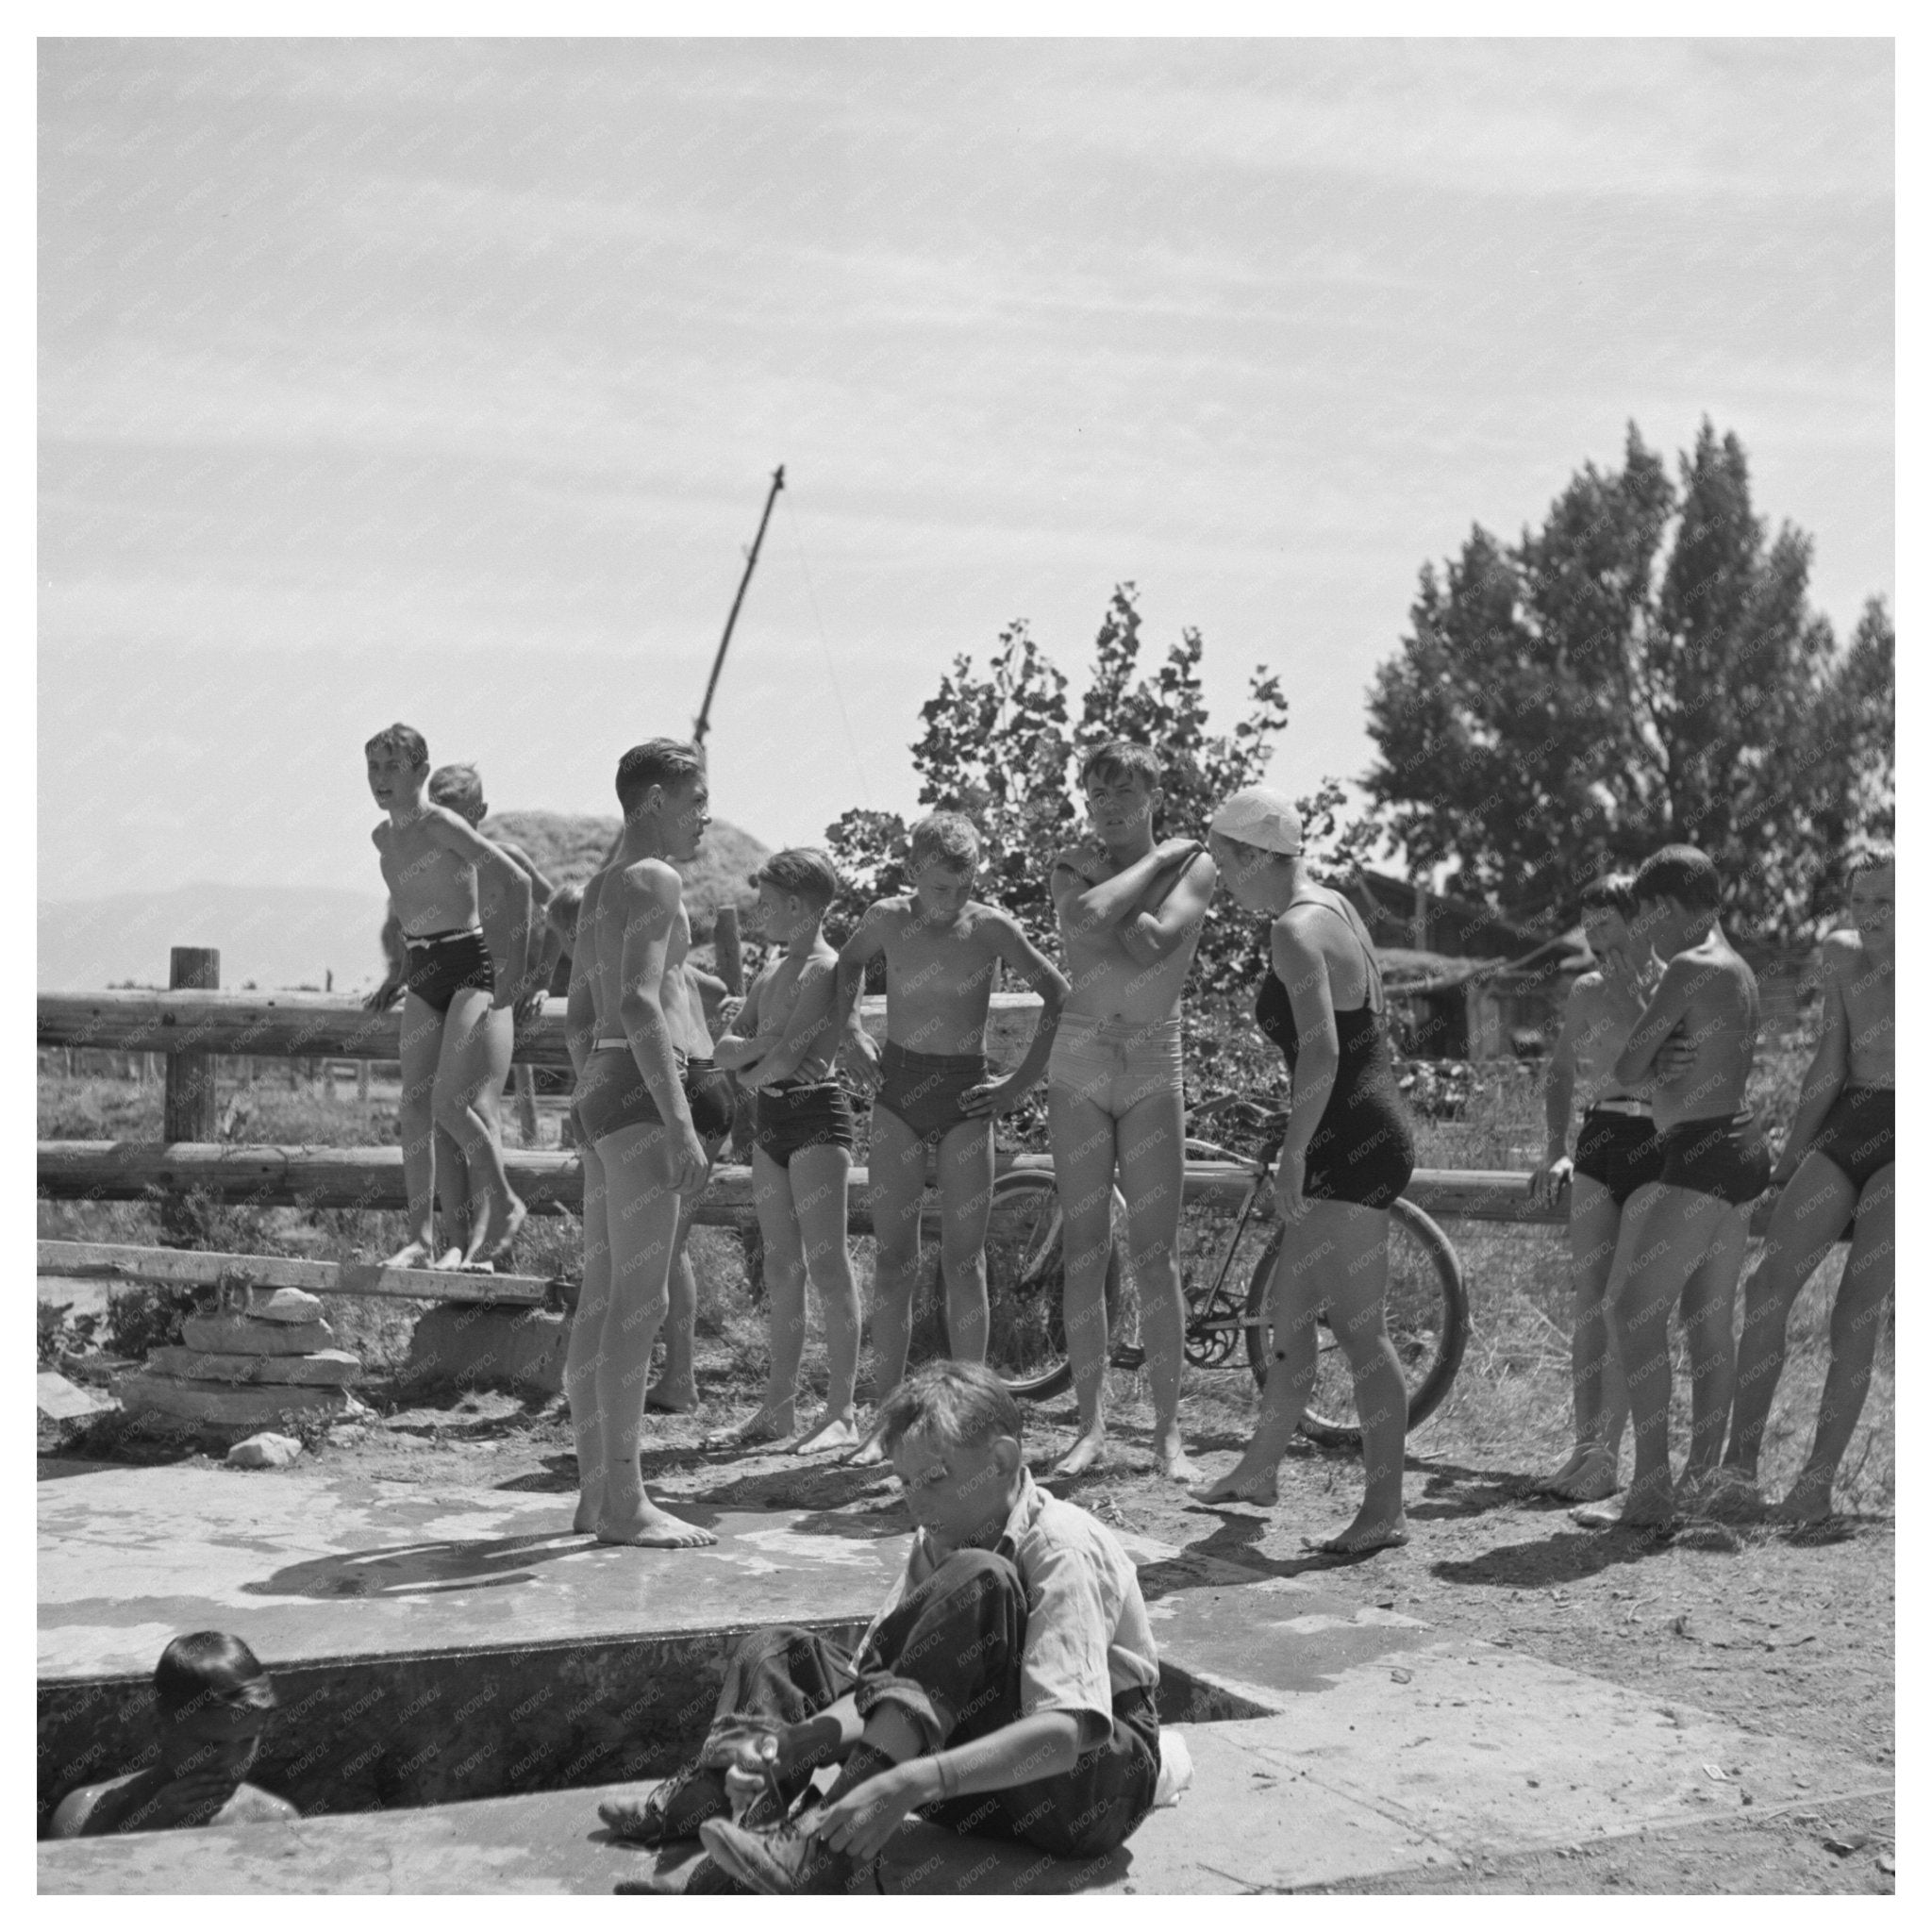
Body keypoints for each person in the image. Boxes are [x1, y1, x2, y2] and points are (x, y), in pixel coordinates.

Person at [598, 1360, 1167, 1895]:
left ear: (1000, 1460)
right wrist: (798, 1741)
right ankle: (724, 1816)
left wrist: (917, 1781)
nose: (916, 1505)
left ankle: (820, 1848)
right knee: (779, 1654)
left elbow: (1064, 1738)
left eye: (935, 1479)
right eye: (905, 1484)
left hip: (1082, 1795)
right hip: (987, 1786)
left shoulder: (1061, 1545)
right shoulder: (942, 1536)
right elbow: (882, 1691)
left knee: (979, 1578)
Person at [1191, 789, 1418, 1555]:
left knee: (1360, 1332)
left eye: (1226, 863)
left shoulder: (1294, 929)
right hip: (1353, 1124)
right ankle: (1260, 1470)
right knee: (1288, 1313)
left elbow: (1321, 1049)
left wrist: (1294, 1153)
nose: (1223, 879)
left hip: (1349, 1137)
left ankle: (1385, 1510)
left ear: (1257, 856)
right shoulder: (1336, 905)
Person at [831, 812, 1070, 1452]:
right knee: (893, 1260)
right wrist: (851, 1029)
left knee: (964, 1261)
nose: (954, 901)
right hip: (897, 1093)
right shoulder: (885, 917)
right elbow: (845, 967)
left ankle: (972, 1420)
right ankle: (885, 1422)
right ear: (913, 873)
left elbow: (1058, 993)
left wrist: (1021, 1084)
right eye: (942, 889)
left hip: (967, 1096)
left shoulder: (990, 926)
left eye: (964, 888)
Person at [558, 739, 724, 1548]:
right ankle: (625, 1500)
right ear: (655, 799)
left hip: (604, 1088)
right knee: (641, 1301)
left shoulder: (595, 891)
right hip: (641, 1091)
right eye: (695, 799)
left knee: (602, 1299)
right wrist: (681, 1121)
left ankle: (596, 1495)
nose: (704, 816)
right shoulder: (655, 879)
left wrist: (583, 1093)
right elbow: (636, 1002)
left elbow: (579, 1014)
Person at [1577, 845, 1771, 1532]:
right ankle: (1701, 1482)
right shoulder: (1738, 967)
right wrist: (1663, 1059)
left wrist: (1651, 1052)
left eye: (1648, 916)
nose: (1644, 933)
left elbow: (1629, 1065)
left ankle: (1652, 1491)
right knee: (1707, 1321)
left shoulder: (1688, 966)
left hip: (1702, 1153)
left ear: (1662, 909)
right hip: (1740, 1144)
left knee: (1632, 1312)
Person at [1045, 741, 1218, 1483]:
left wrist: (1123, 889)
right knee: (1086, 1248)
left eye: (1124, 793)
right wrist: (1152, 863)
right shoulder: (1092, 863)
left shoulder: (1199, 867)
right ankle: (1089, 1428)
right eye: (1097, 793)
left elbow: (1151, 943)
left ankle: (1168, 1436)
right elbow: (1081, 921)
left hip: (1152, 1063)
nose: (1109, 805)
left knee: (1156, 1253)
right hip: (1079, 1064)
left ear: (1153, 795)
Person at [1720, 849, 1894, 1524]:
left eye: (1887, 902)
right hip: (1850, 1121)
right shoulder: (1840, 956)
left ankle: (1814, 1489)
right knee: (1766, 1288)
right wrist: (1790, 1160)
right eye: (1861, 901)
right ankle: (1737, 1472)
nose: (1870, 914)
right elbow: (1829, 1059)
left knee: (1853, 1311)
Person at [703, 850, 863, 1455]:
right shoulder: (774, 970)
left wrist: (752, 1057)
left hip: (816, 1115)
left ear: (799, 906)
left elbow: (789, 1056)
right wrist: (754, 1052)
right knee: (781, 1267)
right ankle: (778, 1409)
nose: (759, 913)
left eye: (767, 903)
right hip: (771, 1122)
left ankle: (842, 1410)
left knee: (827, 1263)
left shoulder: (825, 968)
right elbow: (724, 1049)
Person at [360, 724, 531, 1271]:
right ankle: (420, 1238)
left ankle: (505, 1205)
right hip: (424, 973)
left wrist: (519, 974)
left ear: (420, 771)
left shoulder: (441, 823)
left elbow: (517, 884)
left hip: (469, 965)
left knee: (449, 1104)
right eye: (373, 769)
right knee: (413, 1107)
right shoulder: (382, 840)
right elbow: (418, 910)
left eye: (392, 767)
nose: (380, 779)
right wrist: (401, 971)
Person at [1527, 875, 1664, 1503]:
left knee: (1622, 1303)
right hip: (1602, 1135)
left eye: (1606, 922)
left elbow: (1668, 1065)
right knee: (1588, 1301)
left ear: (1638, 922)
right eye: (1589, 924)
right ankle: (1584, 1450)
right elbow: (1560, 1070)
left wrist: (1635, 994)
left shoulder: (1676, 982)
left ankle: (1612, 1459)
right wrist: (1555, 1149)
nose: (1595, 935)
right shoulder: (1584, 992)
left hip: (1657, 1139)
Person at [49, 1633, 299, 1838]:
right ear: (160, 1730)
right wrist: (145, 1831)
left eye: (247, 1741)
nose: (231, 1762)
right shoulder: (83, 1817)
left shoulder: (275, 1820)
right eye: (211, 1745)